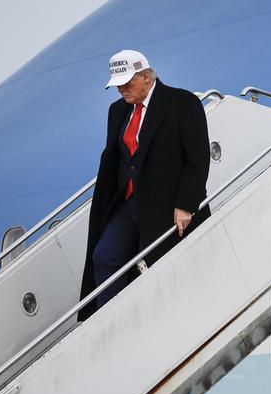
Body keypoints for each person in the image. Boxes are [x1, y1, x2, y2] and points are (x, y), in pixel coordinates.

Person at [78, 50, 210, 320]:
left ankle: (157, 320)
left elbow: (198, 158)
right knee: (104, 257)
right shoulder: (117, 111)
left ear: (147, 78)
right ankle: (115, 321)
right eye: (118, 86)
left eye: (127, 83)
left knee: (155, 263)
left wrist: (186, 204)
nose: (122, 90)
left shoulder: (182, 103)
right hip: (128, 203)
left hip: (166, 203)